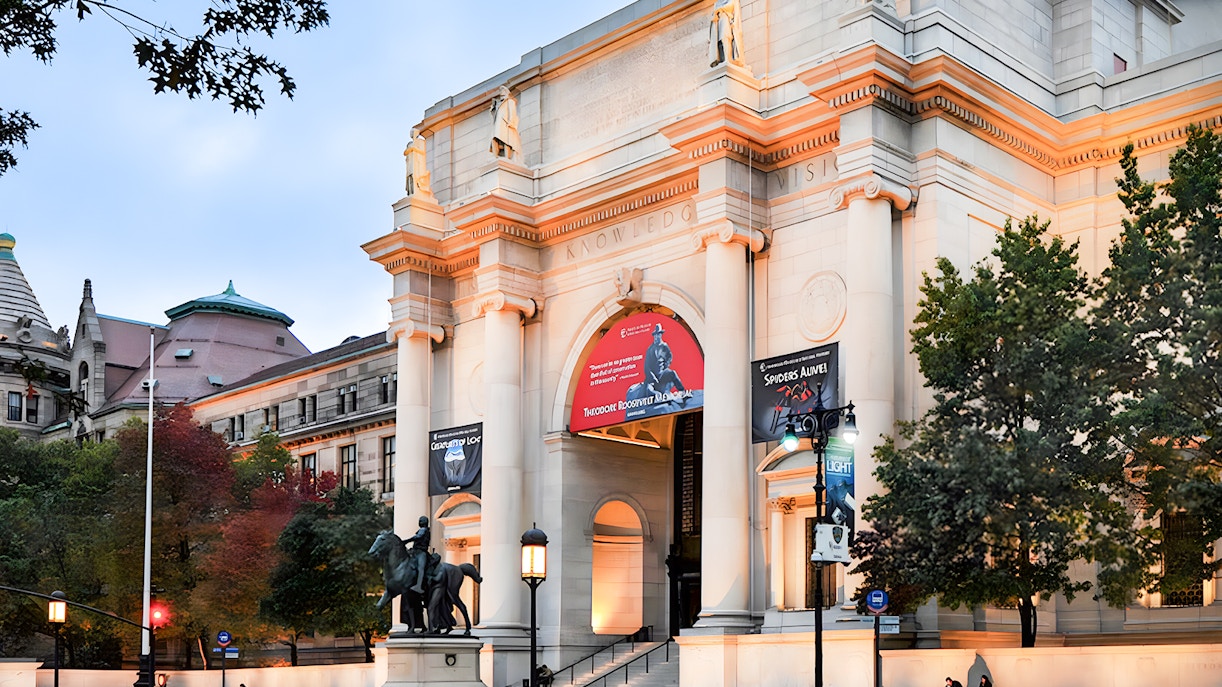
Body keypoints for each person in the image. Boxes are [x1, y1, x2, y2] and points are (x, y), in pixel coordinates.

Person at [644, 323, 685, 399]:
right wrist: (653, 378)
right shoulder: (650, 349)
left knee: (673, 373)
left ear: (661, 335)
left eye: (658, 335)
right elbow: (646, 367)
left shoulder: (664, 346)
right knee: (648, 390)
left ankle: (682, 391)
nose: (656, 337)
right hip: (652, 376)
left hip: (662, 373)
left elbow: (669, 357)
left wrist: (665, 366)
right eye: (655, 335)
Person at [708, 0, 743, 67]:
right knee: (720, 41)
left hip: (726, 20)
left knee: (726, 38)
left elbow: (730, 6)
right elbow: (713, 15)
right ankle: (722, 58)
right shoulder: (717, 3)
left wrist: (720, 9)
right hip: (718, 23)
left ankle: (728, 59)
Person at [489, 85, 520, 160]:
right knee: (494, 139)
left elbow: (512, 111)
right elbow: (495, 115)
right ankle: (495, 157)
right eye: (500, 90)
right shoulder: (498, 102)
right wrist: (493, 108)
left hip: (505, 122)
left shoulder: (510, 101)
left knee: (506, 140)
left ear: (506, 91)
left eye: (502, 89)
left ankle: (507, 157)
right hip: (498, 124)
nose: (500, 91)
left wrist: (511, 122)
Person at [403, 516, 431, 594]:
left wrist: (406, 541)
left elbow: (418, 537)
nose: (420, 522)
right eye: (420, 520)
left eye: (421, 521)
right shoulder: (421, 530)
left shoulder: (423, 530)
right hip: (416, 551)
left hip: (421, 552)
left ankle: (419, 586)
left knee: (420, 567)